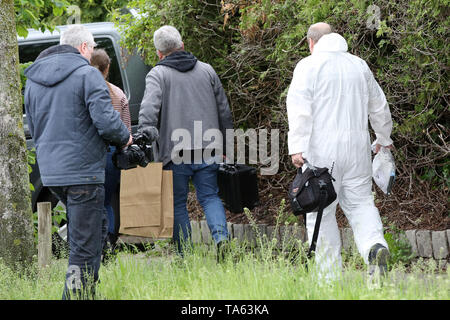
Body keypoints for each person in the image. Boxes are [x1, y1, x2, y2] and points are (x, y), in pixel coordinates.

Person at [24, 24, 132, 299]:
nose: (94, 51)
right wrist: (126, 139)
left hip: (52, 173)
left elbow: (34, 128)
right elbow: (107, 123)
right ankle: (74, 296)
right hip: (84, 173)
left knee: (93, 233)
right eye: (93, 46)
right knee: (83, 247)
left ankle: (88, 293)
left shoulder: (34, 79)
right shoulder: (87, 75)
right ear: (84, 47)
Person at [286, 22, 393, 281]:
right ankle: (374, 247)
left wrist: (297, 145)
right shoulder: (358, 65)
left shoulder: (308, 66)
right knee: (361, 203)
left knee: (321, 214)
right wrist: (383, 138)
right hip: (357, 151)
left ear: (311, 43)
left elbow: (299, 107)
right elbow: (379, 105)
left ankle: (328, 281)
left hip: (321, 153)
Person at [138, 25, 233, 257]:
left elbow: (148, 111)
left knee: (178, 204)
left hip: (174, 151)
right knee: (210, 196)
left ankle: (184, 254)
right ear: (182, 45)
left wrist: (144, 139)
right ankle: (221, 239)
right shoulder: (207, 70)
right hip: (209, 147)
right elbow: (224, 111)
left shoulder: (157, 75)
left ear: (159, 53)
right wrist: (227, 146)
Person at [90, 48, 132, 257]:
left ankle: (94, 244)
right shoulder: (118, 94)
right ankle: (110, 242)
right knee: (107, 201)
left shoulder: (85, 92)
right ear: (108, 69)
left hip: (90, 152)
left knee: (90, 202)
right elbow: (126, 130)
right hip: (112, 153)